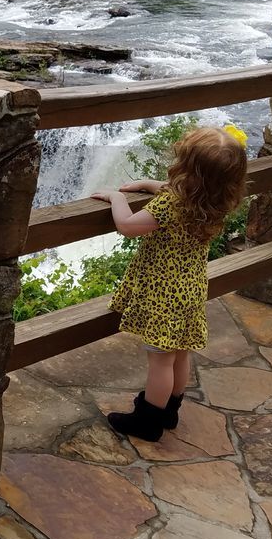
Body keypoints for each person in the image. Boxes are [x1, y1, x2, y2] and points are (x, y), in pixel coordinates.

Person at [90, 125, 249, 442]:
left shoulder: (171, 205)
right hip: (189, 289)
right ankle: (169, 411)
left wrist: (116, 196)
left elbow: (127, 226)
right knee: (179, 353)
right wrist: (147, 185)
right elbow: (169, 189)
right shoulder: (216, 202)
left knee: (159, 361)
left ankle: (147, 421)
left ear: (188, 171)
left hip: (163, 292)